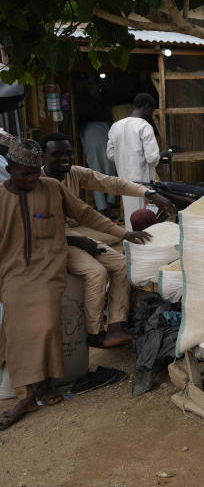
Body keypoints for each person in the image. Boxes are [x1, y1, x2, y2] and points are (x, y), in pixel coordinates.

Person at [0, 138, 150, 431]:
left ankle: (41, 388)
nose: (32, 179)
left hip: (47, 269)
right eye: (25, 175)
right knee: (17, 334)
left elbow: (86, 214)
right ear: (11, 169)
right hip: (12, 273)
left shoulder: (52, 188)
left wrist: (123, 233)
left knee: (45, 327)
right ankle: (27, 394)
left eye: (35, 173)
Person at [40, 133, 176, 347]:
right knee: (96, 272)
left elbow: (111, 184)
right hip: (50, 242)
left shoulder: (74, 174)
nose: (64, 159)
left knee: (122, 265)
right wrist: (86, 241)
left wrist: (148, 193)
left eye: (68, 153)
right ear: (43, 157)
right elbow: (62, 224)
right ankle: (93, 333)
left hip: (70, 235)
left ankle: (115, 325)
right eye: (56, 154)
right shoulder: (38, 183)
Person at [107, 93, 162, 230]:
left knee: (130, 217)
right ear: (146, 107)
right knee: (144, 220)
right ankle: (140, 248)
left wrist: (126, 159)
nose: (152, 114)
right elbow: (152, 158)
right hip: (143, 183)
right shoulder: (144, 126)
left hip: (125, 182)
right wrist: (162, 155)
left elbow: (110, 154)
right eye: (152, 111)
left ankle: (130, 246)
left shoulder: (116, 126)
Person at [79, 120, 117, 215]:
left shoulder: (83, 128)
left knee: (95, 177)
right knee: (111, 176)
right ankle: (109, 204)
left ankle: (102, 208)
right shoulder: (105, 124)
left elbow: (83, 144)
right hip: (105, 144)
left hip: (91, 147)